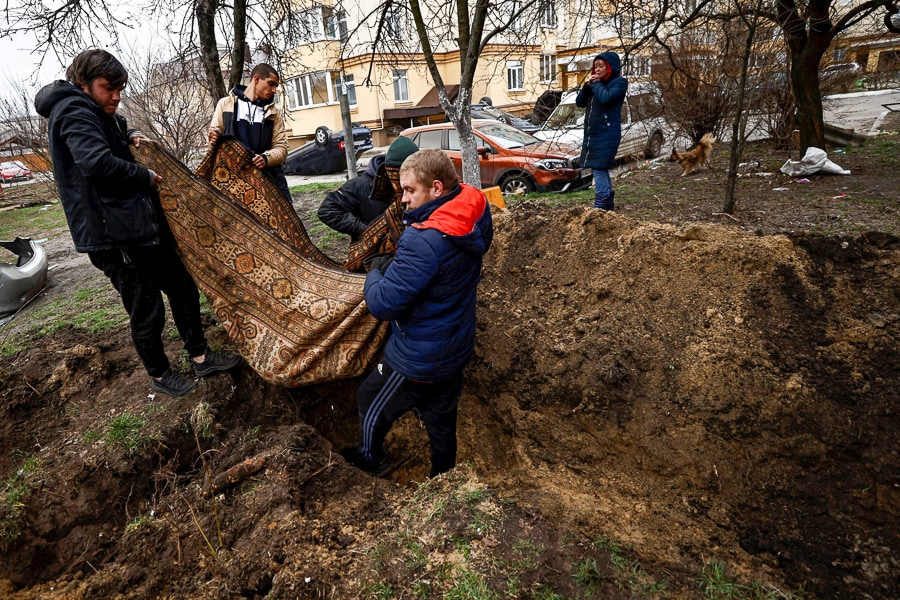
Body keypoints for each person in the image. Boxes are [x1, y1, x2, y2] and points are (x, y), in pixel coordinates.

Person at [34, 49, 241, 398]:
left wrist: (133, 135)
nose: (116, 95)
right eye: (108, 88)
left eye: (120, 88)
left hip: (135, 225)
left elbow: (119, 132)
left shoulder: (95, 109)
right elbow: (97, 162)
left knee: (181, 285)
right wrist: (144, 175)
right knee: (146, 306)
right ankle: (160, 374)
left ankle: (201, 355)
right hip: (112, 234)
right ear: (83, 83)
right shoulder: (72, 109)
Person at [342, 149, 494, 478]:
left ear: (436, 188)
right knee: (441, 419)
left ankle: (370, 459)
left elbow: (383, 303)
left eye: (409, 191)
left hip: (417, 358)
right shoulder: (474, 207)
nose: (404, 201)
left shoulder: (423, 241)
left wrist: (375, 273)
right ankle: (443, 476)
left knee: (370, 399)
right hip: (455, 347)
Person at [208, 63, 291, 200]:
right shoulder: (225, 104)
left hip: (268, 181)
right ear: (257, 79)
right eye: (271, 84)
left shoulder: (274, 113)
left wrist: (266, 158)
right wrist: (213, 136)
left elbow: (281, 148)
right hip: (234, 182)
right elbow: (214, 136)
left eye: (276, 86)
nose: (274, 90)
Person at [317, 137, 419, 241]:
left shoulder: (423, 185)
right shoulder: (360, 185)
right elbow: (327, 210)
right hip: (373, 253)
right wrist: (365, 230)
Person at [576, 51, 628, 211]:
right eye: (595, 66)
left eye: (601, 66)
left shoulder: (619, 82)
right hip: (594, 134)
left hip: (607, 133)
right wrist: (587, 86)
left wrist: (596, 84)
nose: (596, 70)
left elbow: (606, 98)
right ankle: (608, 207)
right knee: (600, 168)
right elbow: (580, 102)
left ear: (610, 67)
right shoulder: (595, 84)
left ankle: (600, 205)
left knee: (598, 168)